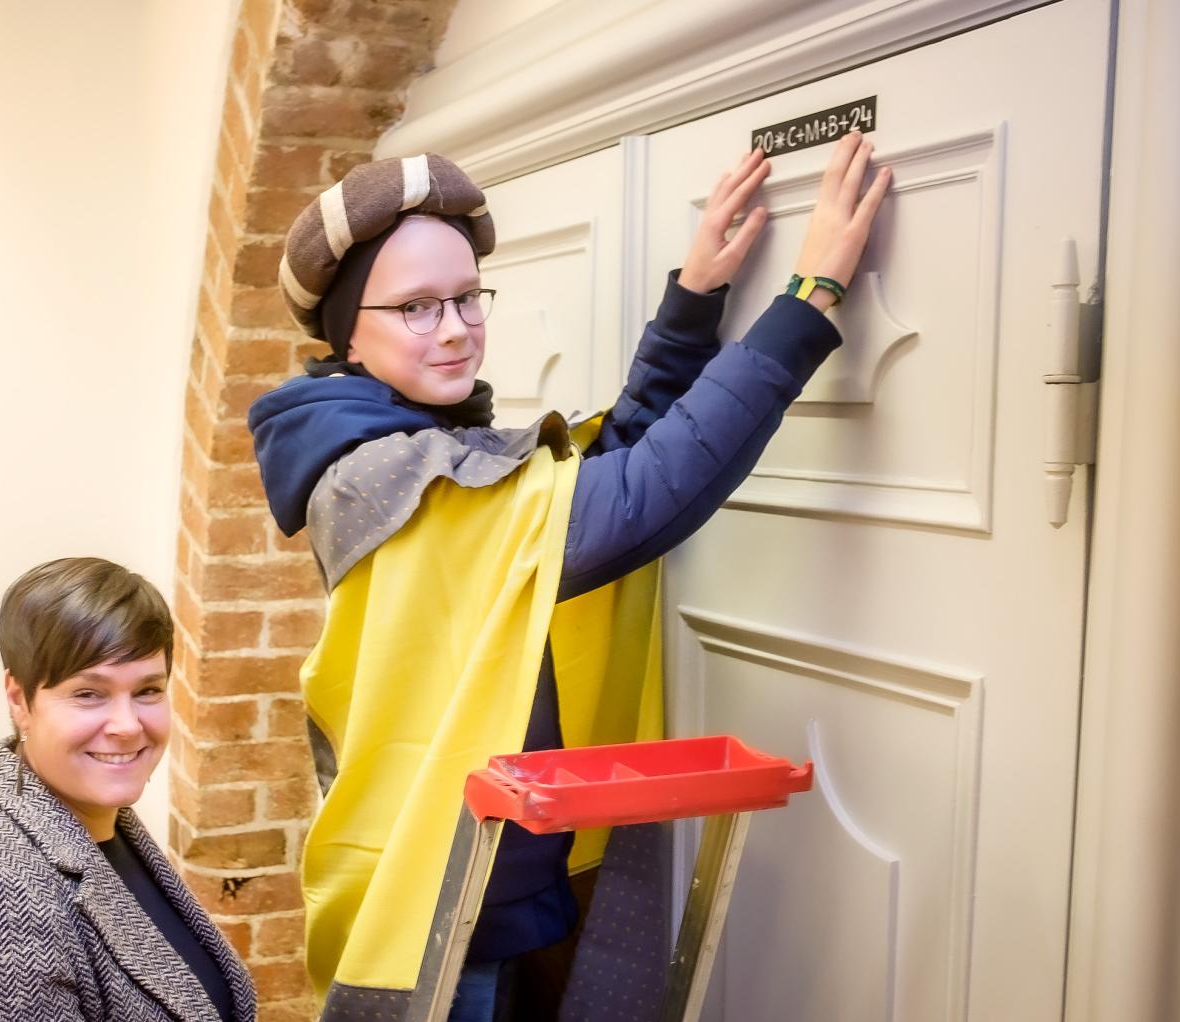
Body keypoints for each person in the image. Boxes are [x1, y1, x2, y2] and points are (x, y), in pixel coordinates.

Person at [248, 134, 891, 1022]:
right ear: (346, 335)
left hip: (485, 876)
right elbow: (633, 500)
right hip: (441, 899)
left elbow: (607, 464)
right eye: (416, 307)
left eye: (469, 296)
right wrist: (808, 299)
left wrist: (695, 300)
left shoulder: (420, 442)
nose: (456, 327)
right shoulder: (385, 473)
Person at [0, 557, 257, 1022]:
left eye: (147, 690)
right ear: (19, 699)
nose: (127, 726)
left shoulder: (103, 827)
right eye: (89, 693)